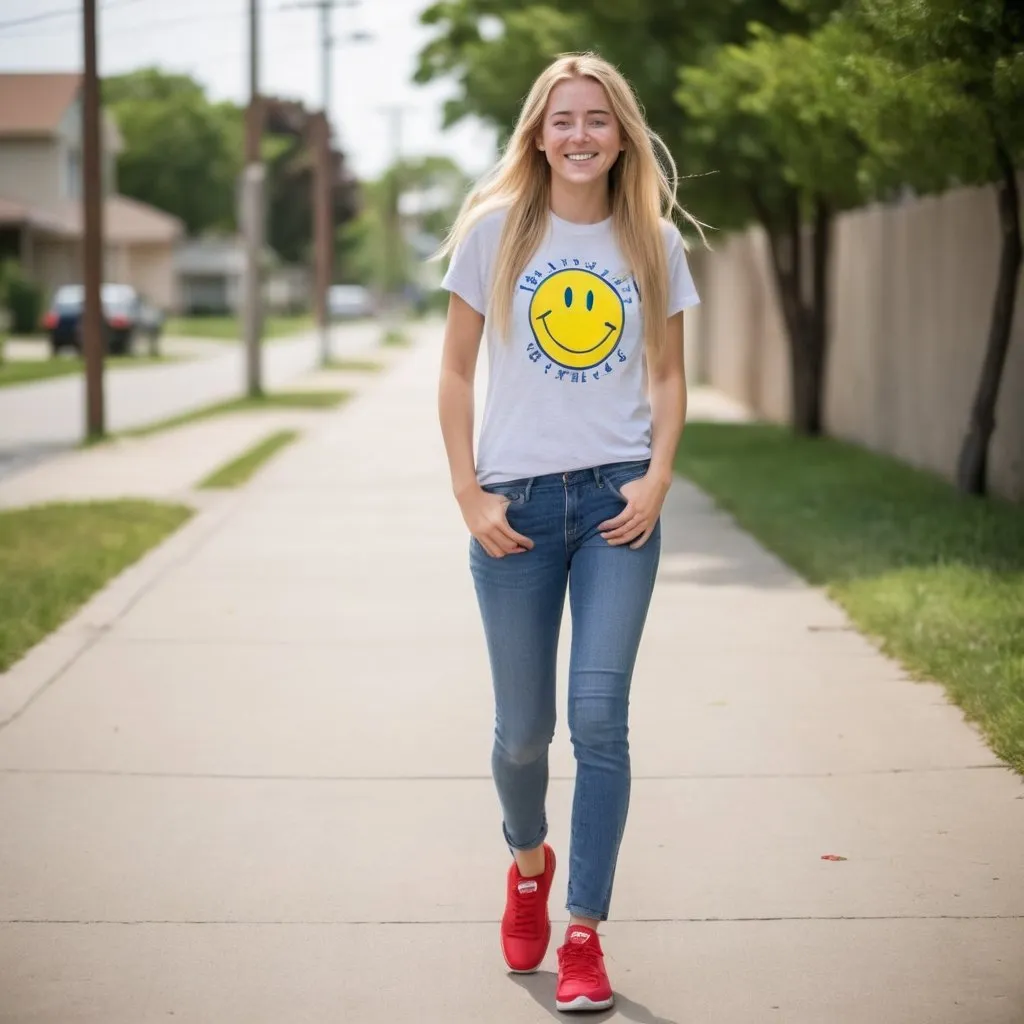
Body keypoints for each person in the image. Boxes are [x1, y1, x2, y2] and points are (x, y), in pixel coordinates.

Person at [436, 51, 703, 1013]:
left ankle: (584, 933)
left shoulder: (651, 242)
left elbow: (668, 377)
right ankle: (526, 861)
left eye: (597, 118)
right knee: (522, 736)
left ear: (622, 132)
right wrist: (471, 495)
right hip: (514, 509)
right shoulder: (496, 232)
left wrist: (658, 478)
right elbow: (459, 372)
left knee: (597, 721)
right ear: (538, 135)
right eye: (563, 119)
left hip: (614, 508)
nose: (580, 134)